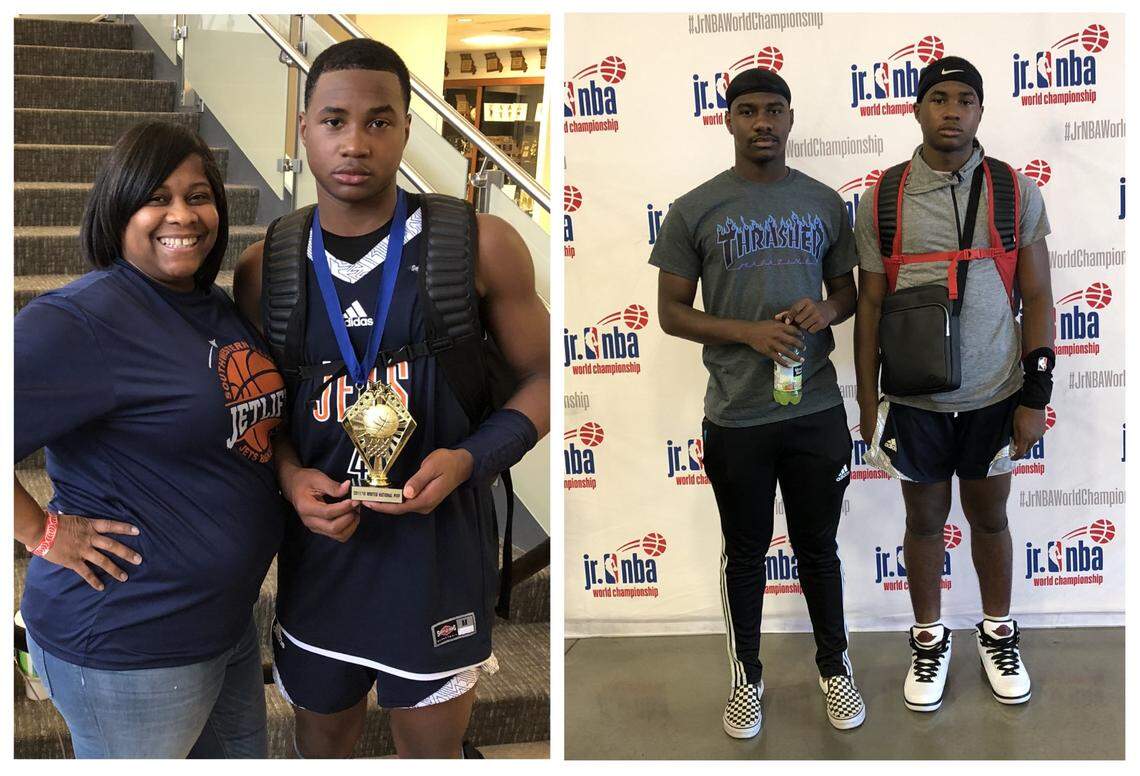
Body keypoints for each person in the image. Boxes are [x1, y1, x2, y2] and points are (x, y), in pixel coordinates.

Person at [233, 39, 549, 759]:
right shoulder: (266, 268)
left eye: (379, 122)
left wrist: (471, 460)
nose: (355, 142)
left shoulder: (481, 244)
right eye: (334, 120)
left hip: (436, 559)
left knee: (431, 756)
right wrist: (287, 477)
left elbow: (541, 380)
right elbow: (257, 414)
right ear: (304, 129)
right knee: (323, 749)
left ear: (408, 128)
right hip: (320, 559)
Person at [14, 121, 288, 758]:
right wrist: (41, 534)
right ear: (117, 208)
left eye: (198, 195)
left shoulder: (215, 307)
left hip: (223, 624)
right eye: (157, 198)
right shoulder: (78, 321)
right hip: (130, 643)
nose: (183, 215)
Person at [649, 68, 864, 737]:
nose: (762, 122)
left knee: (818, 549)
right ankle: (747, 677)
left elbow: (848, 295)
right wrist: (749, 332)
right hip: (737, 415)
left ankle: (836, 669)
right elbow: (671, 313)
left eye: (774, 110)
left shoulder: (827, 203)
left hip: (815, 408)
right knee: (744, 553)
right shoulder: (695, 209)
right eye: (748, 111)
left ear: (791, 120)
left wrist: (823, 309)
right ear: (729, 122)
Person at [853, 56, 1053, 711]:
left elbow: (1039, 297)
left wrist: (1036, 397)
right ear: (915, 108)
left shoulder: (1014, 192)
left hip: (996, 397)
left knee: (990, 517)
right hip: (914, 403)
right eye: (938, 98)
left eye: (966, 99)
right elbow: (871, 307)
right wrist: (866, 401)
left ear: (981, 112)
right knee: (923, 521)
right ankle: (929, 640)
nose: (952, 111)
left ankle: (999, 632)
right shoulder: (882, 197)